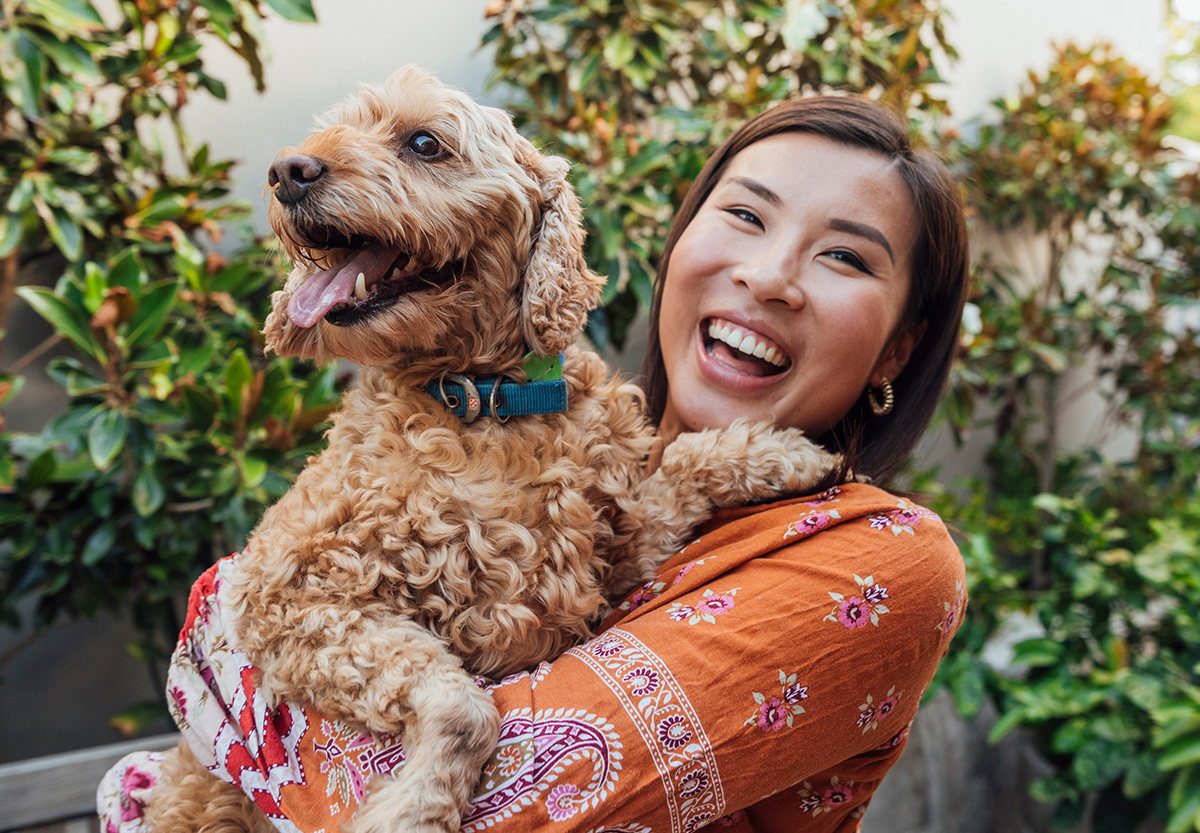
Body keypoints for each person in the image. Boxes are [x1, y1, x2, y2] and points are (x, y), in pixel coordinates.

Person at [99, 94, 969, 832]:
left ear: (900, 347)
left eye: (846, 255)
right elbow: (261, 605)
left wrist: (230, 660)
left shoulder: (886, 557)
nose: (771, 275)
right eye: (744, 215)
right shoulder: (574, 443)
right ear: (679, 247)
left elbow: (515, 802)